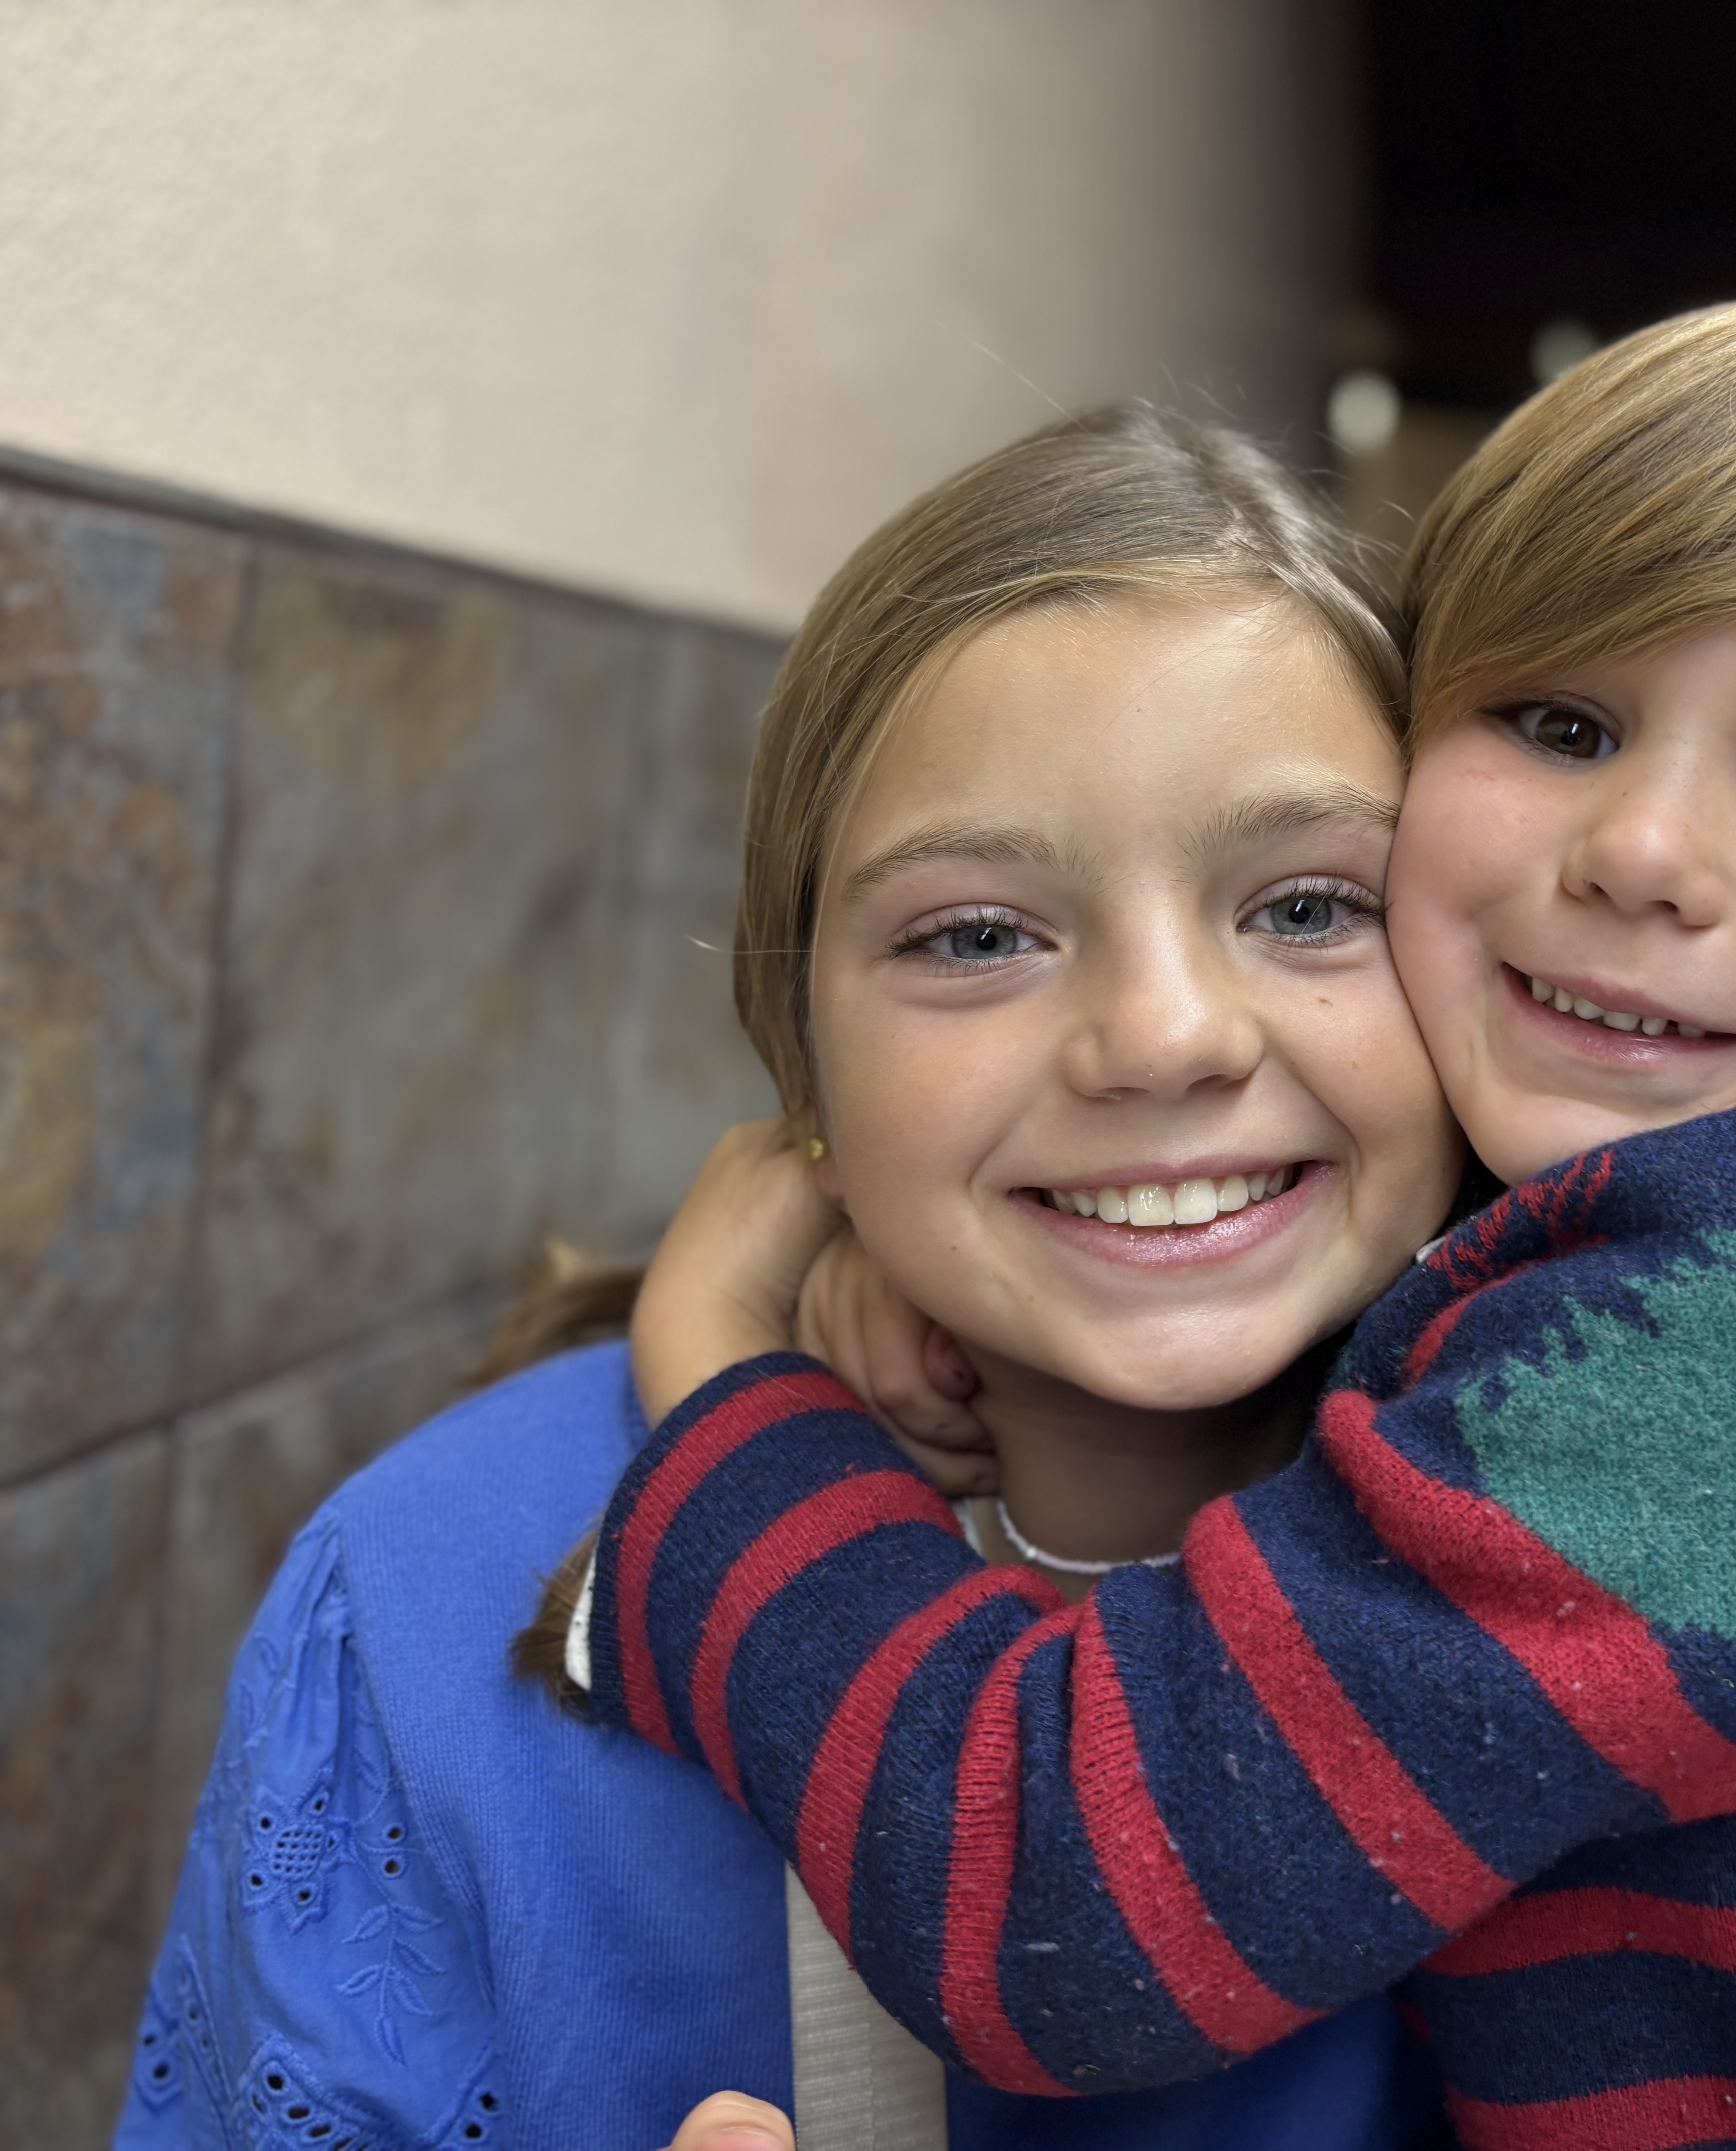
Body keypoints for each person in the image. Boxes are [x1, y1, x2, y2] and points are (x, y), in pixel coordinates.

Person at [590, 284, 1736, 2146]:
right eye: (1560, 720)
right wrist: (951, 1266)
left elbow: (1052, 1904)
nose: (1638, 851)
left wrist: (730, 1374)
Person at [117, 409, 1464, 2151]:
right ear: (800, 1058)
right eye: (977, 936)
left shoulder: (1588, 1570)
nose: (1165, 1038)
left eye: (1305, 907)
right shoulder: (421, 1586)